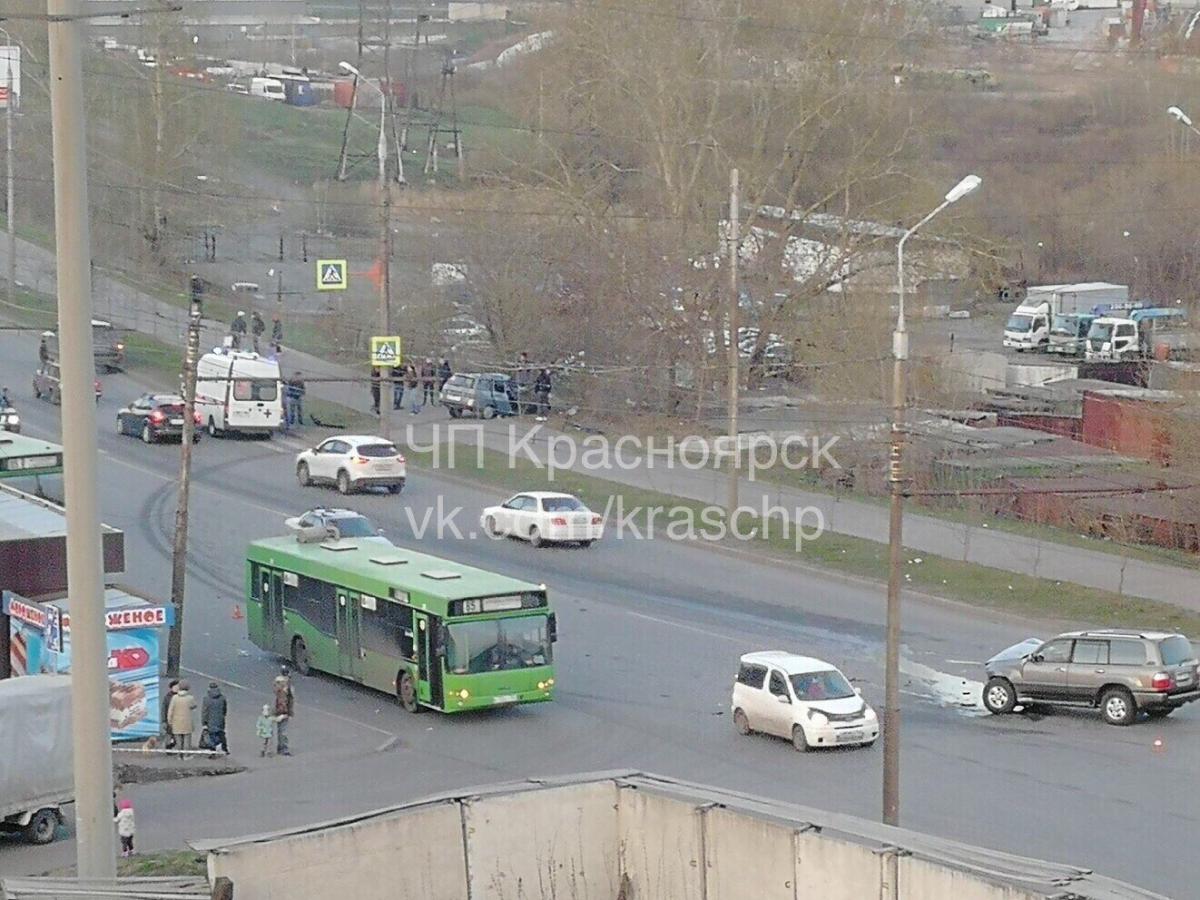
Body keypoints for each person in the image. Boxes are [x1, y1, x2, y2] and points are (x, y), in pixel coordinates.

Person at [167, 680, 197, 751]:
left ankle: (179, 755)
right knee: (187, 739)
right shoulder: (190, 698)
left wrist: (170, 721)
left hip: (176, 721)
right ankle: (186, 755)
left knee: (178, 740)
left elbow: (170, 710)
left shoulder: (174, 698)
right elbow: (194, 706)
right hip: (187, 722)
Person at [201, 682, 229, 755]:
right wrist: (223, 716)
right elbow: (224, 709)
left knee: (212, 735)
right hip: (220, 719)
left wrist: (204, 722)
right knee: (221, 733)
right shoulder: (222, 698)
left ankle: (213, 749)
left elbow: (204, 712)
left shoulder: (206, 699)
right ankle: (224, 748)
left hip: (210, 720)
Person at [273, 671, 294, 756]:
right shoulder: (282, 691)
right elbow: (284, 703)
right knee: (283, 731)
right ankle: (283, 748)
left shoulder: (285, 689)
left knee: (281, 730)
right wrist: (285, 713)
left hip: (282, 711)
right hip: (282, 712)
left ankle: (280, 747)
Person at [160, 679, 179, 749]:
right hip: (169, 719)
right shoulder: (167, 697)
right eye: (175, 687)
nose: (177, 688)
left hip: (178, 719)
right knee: (169, 734)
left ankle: (175, 745)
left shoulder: (181, 696)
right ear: (172, 688)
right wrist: (164, 720)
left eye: (178, 687)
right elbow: (163, 709)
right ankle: (168, 746)